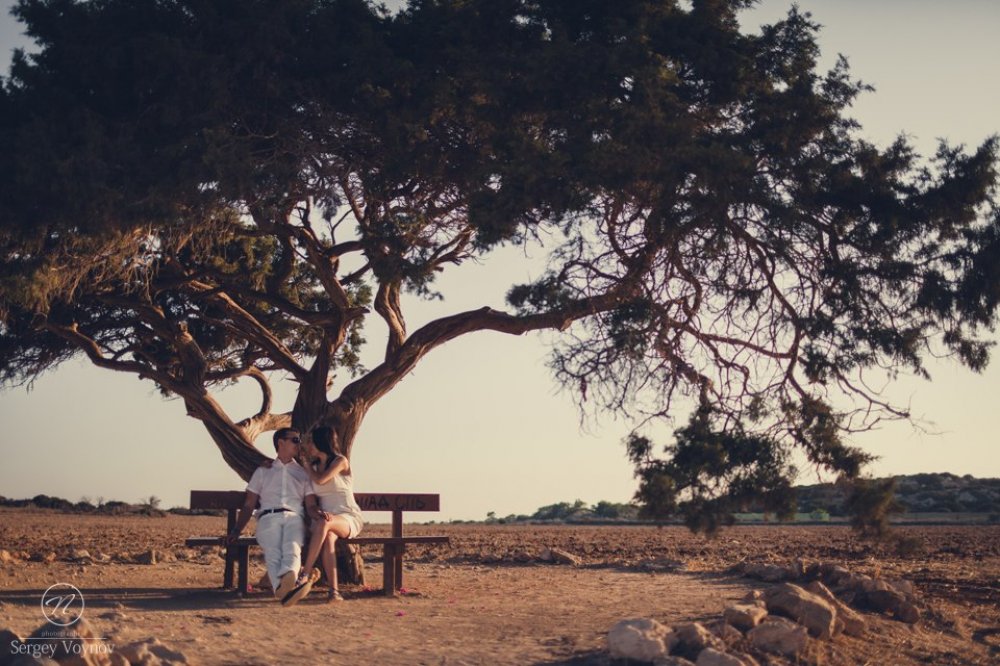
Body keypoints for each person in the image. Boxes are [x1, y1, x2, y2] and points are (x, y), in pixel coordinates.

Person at [226, 428, 312, 605]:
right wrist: (236, 530)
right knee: (273, 551)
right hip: (268, 517)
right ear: (281, 443)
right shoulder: (263, 471)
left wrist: (319, 518)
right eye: (295, 440)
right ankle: (288, 587)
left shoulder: (303, 473)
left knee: (293, 547)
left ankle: (283, 587)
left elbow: (310, 504)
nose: (299, 444)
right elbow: (249, 504)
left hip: (294, 516)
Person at [294, 425, 365, 603]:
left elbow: (321, 479)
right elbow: (310, 505)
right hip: (325, 519)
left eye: (311, 442)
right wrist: (316, 511)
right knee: (328, 537)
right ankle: (334, 592)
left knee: (325, 524)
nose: (308, 446)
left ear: (320, 442)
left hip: (347, 516)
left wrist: (307, 466)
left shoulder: (340, 462)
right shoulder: (313, 468)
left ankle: (306, 573)